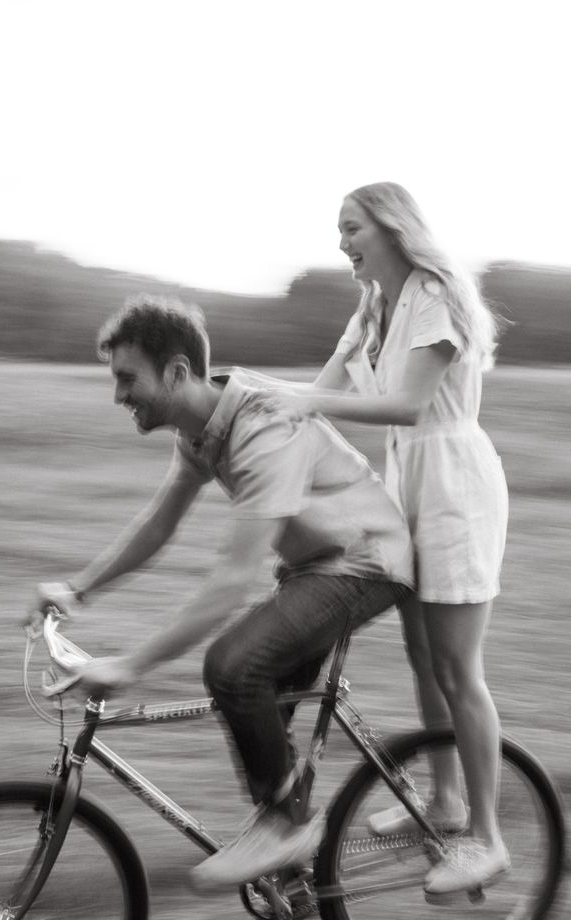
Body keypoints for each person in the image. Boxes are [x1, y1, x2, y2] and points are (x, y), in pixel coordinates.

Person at [29, 292, 414, 889]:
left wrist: (130, 665)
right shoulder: (202, 428)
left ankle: (285, 828)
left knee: (234, 668)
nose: (118, 395)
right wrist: (77, 589)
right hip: (314, 568)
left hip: (365, 564)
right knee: (256, 710)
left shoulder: (262, 428)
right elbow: (159, 524)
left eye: (127, 378)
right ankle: (296, 867)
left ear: (177, 372)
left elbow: (232, 579)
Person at [285, 182, 510, 897]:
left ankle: (487, 838)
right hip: (404, 484)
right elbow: (317, 394)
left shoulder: (435, 294)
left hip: (453, 485)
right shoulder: (374, 306)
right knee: (420, 657)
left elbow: (409, 405)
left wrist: (309, 401)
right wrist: (252, 406)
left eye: (351, 227)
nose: (343, 242)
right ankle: (441, 803)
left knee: (456, 667)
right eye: (339, 230)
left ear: (390, 227)